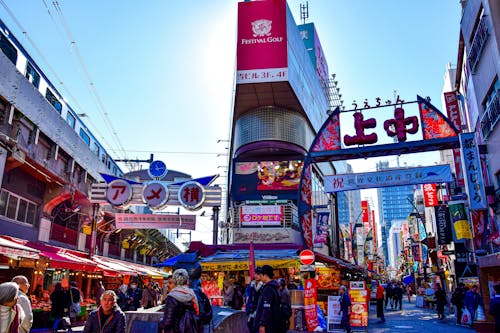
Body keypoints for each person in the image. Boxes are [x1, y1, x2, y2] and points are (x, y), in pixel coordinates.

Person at [160, 268, 199, 333]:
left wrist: (161, 325)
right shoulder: (192, 295)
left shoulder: (172, 297)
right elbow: (197, 313)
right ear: (187, 281)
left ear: (174, 281)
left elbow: (168, 321)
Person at [254, 264, 282, 333]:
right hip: (274, 323)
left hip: (268, 326)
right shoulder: (275, 287)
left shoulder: (268, 289)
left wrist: (262, 324)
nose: (260, 276)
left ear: (265, 275)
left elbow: (267, 308)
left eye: (261, 275)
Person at [245, 267, 263, 333]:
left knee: (257, 328)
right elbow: (247, 294)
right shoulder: (251, 285)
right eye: (255, 274)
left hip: (260, 310)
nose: (256, 276)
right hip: (252, 309)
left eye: (258, 274)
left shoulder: (264, 285)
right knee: (250, 325)